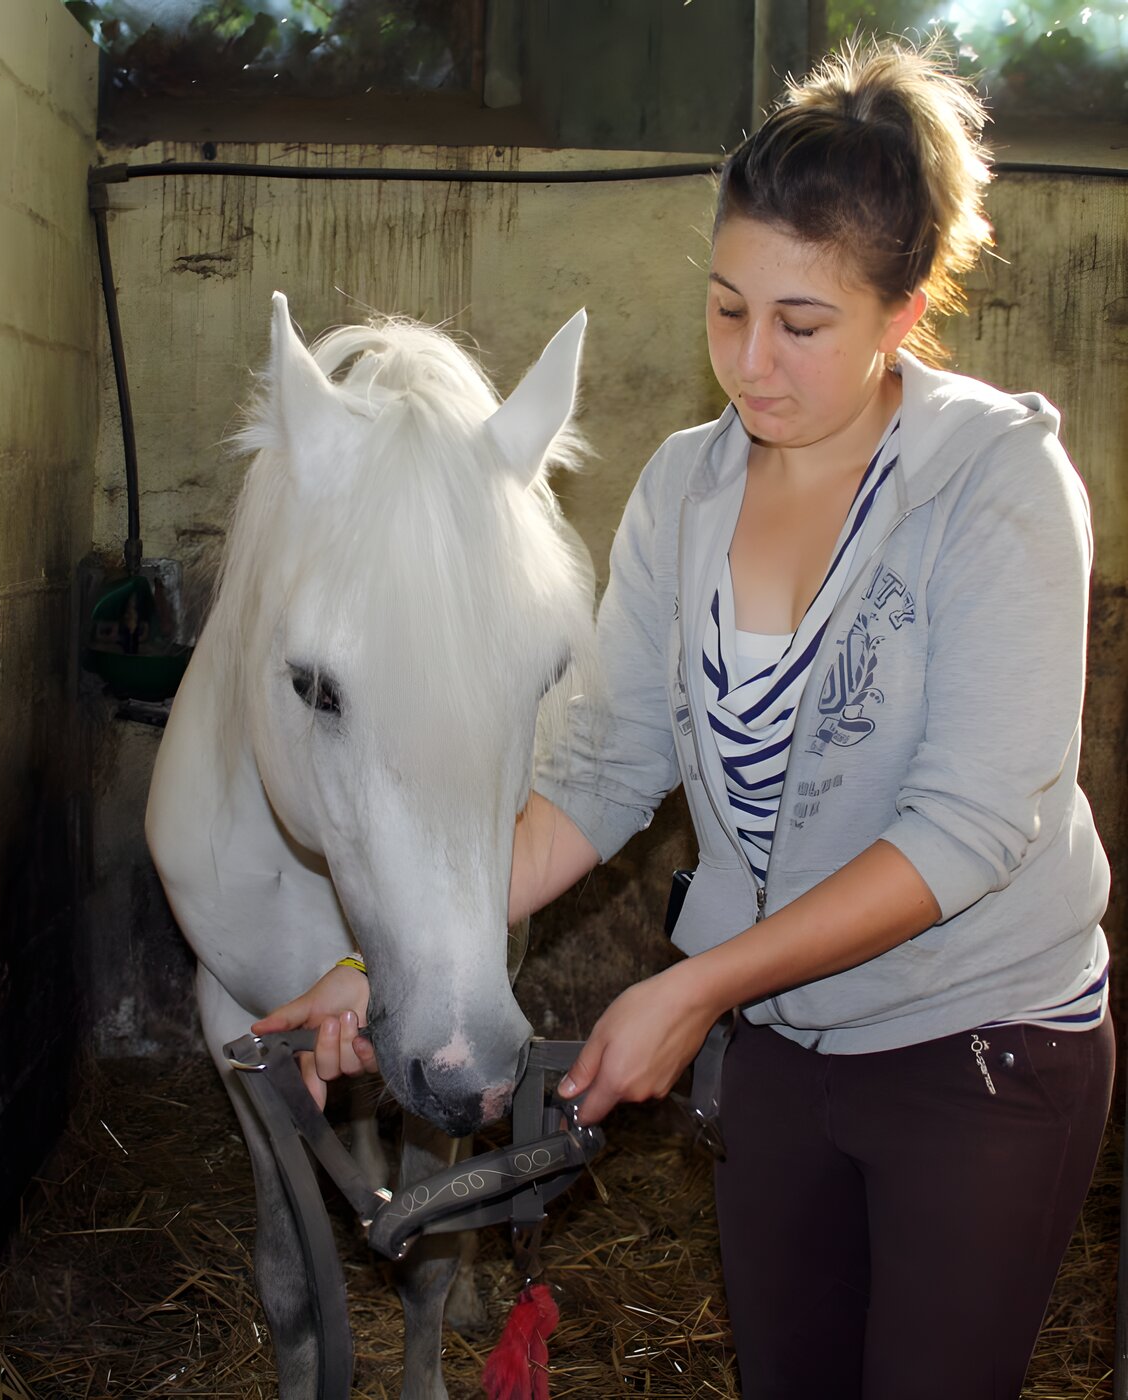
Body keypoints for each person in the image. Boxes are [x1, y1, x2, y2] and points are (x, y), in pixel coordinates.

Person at [253, 37, 1114, 1399]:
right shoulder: (684, 488)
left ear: (905, 311)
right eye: (726, 310)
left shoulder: (998, 487)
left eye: (801, 324)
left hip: (980, 1046)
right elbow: (600, 772)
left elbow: (968, 830)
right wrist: (393, 972)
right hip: (777, 1043)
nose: (750, 365)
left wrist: (697, 985)